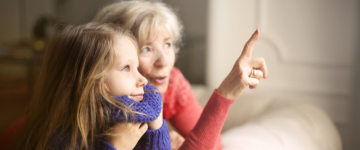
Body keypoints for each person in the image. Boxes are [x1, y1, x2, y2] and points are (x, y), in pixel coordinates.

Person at [92, 1, 267, 149]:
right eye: (146, 48)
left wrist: (227, 91)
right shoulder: (99, 99)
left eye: (167, 44)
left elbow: (213, 144)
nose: (164, 61)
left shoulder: (173, 83)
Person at [14, 22, 172, 150]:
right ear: (87, 81)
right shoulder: (60, 140)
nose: (143, 80)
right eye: (126, 68)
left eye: (136, 67)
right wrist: (116, 147)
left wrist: (157, 127)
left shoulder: (136, 118)